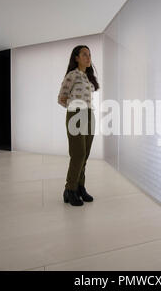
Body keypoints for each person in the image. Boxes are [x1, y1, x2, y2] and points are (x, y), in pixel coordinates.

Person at [57, 45, 100, 206]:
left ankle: (80, 187)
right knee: (78, 153)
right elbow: (61, 98)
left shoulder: (87, 78)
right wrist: (74, 105)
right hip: (76, 114)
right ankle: (70, 189)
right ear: (76, 58)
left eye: (89, 55)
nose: (88, 58)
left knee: (85, 154)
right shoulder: (72, 75)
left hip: (89, 115)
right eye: (84, 55)